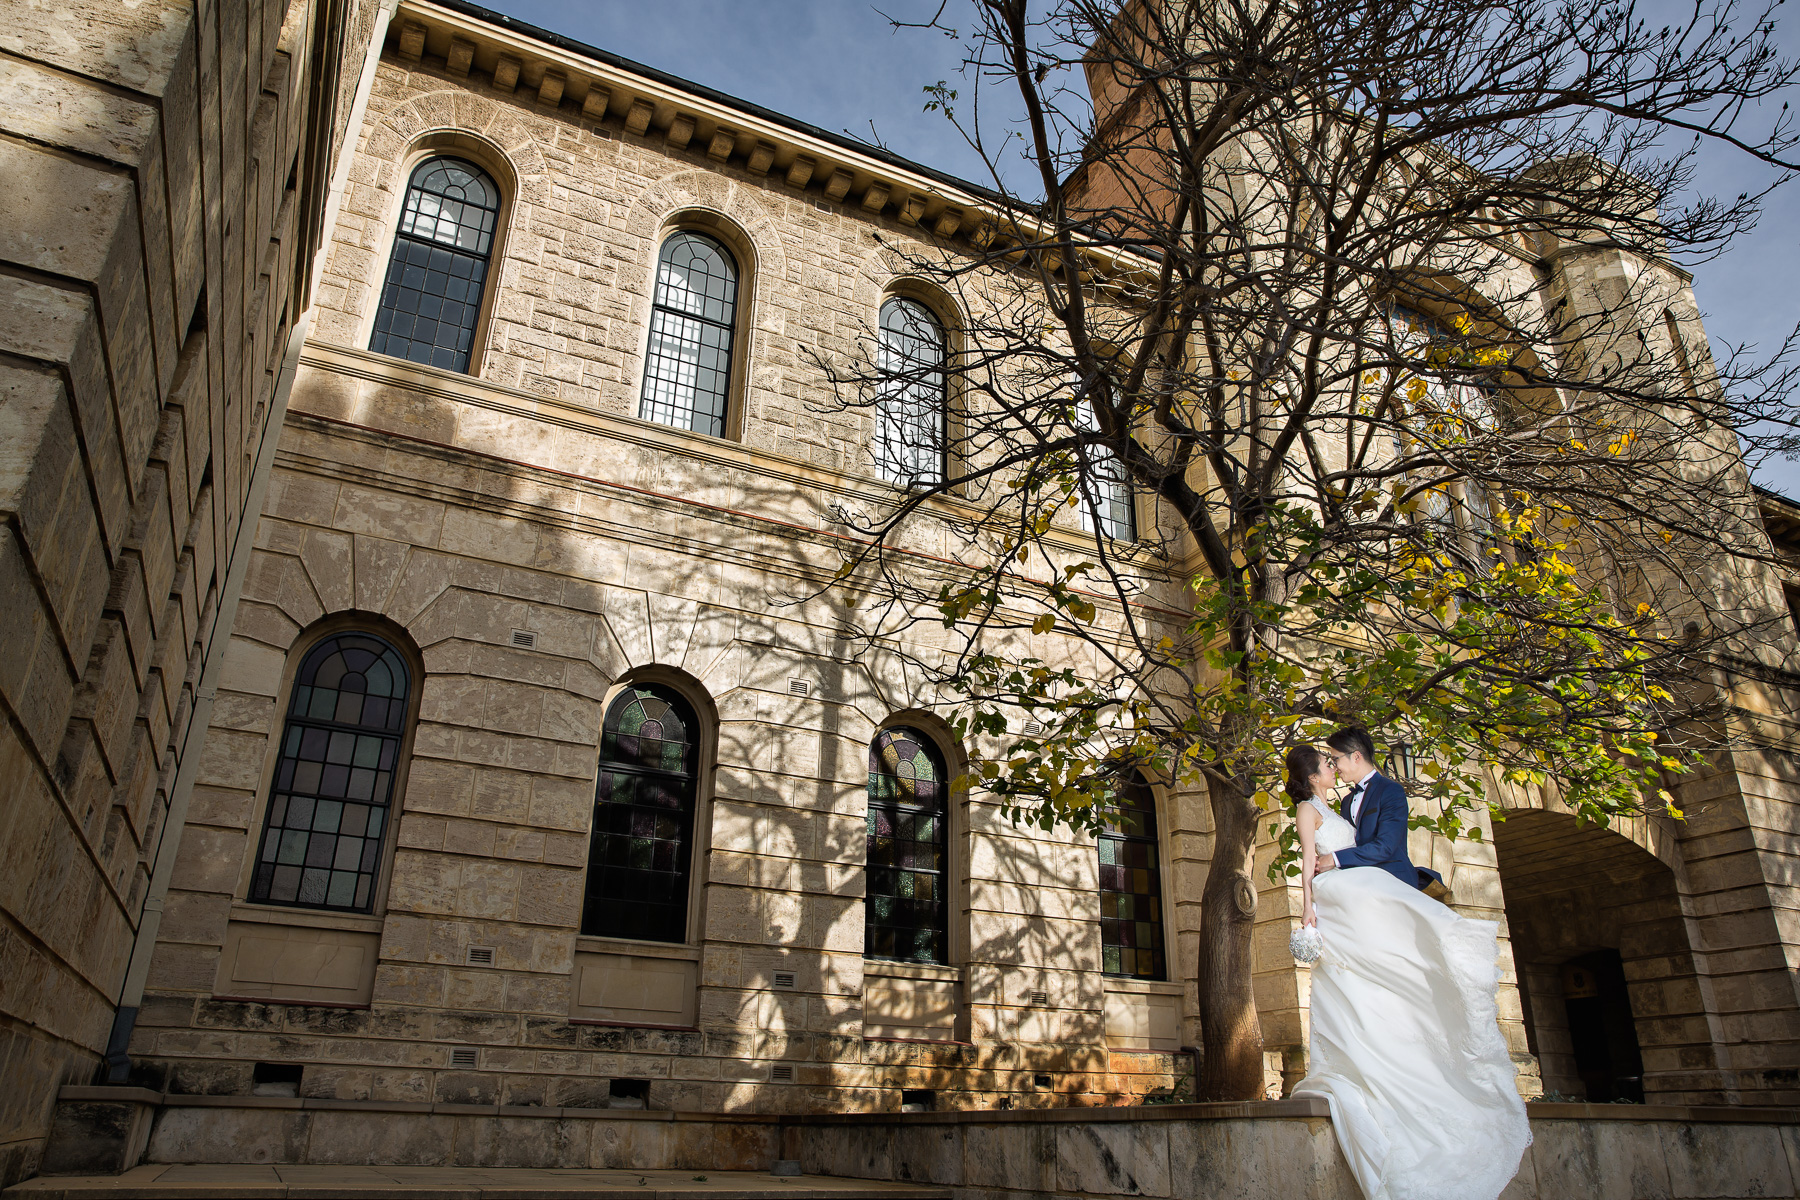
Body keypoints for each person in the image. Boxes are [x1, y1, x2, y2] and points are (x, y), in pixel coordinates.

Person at [1286, 734, 1530, 1200]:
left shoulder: (1373, 795)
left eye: (1337, 758)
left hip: (1366, 894)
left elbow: (1383, 848)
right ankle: (1365, 1058)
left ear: (1354, 758)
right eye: (1327, 762)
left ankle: (1415, 1037)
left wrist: (1336, 860)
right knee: (1349, 980)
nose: (1334, 766)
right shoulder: (1310, 810)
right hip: (1343, 899)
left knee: (1391, 975)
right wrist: (1307, 908)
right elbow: (1306, 861)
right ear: (1314, 774)